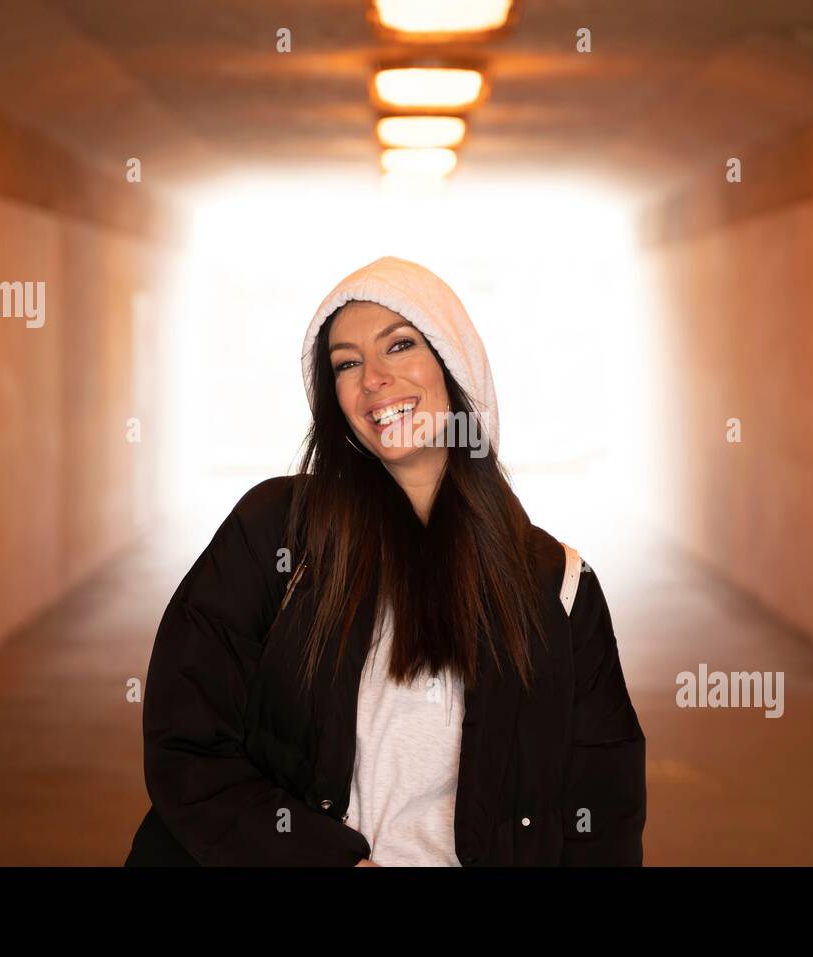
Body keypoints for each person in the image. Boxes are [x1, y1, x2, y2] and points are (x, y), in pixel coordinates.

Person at [125, 255, 645, 867]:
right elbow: (188, 745)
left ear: (455, 365)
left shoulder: (557, 586)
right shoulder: (275, 533)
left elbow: (602, 812)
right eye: (347, 362)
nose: (372, 378)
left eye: (399, 345)